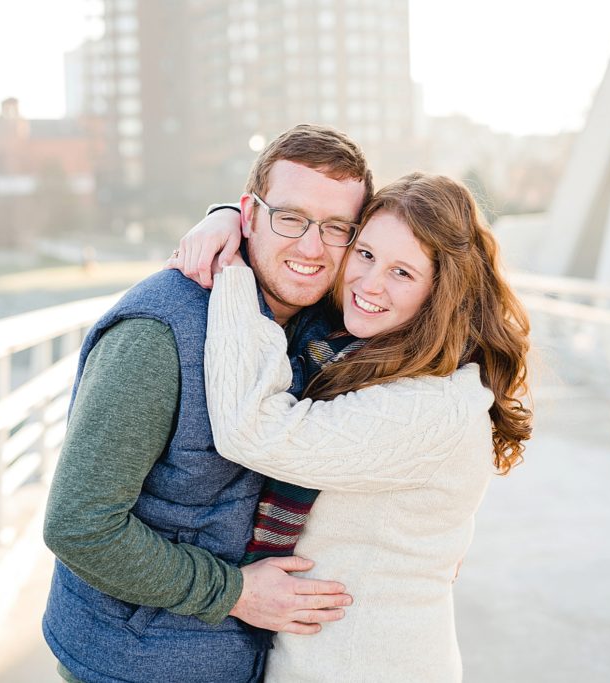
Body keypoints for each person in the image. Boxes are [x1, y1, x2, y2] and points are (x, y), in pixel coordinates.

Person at [41, 124, 374, 683]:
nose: (312, 247)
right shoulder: (156, 334)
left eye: (336, 227)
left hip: (243, 660)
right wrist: (236, 592)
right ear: (249, 215)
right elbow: (79, 526)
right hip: (132, 666)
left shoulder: (329, 324)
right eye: (290, 218)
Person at [173, 172, 532, 681]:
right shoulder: (356, 354)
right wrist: (232, 218)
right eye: (365, 254)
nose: (369, 283)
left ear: (440, 291)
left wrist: (234, 272)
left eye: (402, 272)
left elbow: (250, 431)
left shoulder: (431, 406)